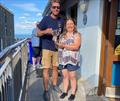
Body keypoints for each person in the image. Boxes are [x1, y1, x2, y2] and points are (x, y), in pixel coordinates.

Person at [36, 0, 64, 100]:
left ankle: (55, 85)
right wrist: (45, 31)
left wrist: (62, 42)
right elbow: (37, 33)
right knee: (46, 69)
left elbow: (62, 34)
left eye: (58, 7)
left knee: (56, 68)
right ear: (51, 9)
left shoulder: (61, 20)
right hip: (46, 48)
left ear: (59, 9)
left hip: (57, 48)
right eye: (54, 7)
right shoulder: (46, 19)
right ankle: (46, 90)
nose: (56, 9)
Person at [57, 18, 81, 101]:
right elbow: (59, 46)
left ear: (74, 25)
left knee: (72, 76)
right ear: (65, 26)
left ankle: (73, 93)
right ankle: (65, 91)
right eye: (68, 24)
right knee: (65, 76)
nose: (70, 25)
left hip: (72, 59)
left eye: (71, 23)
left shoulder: (77, 35)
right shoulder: (62, 35)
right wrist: (57, 43)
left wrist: (64, 46)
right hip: (63, 59)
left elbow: (76, 46)